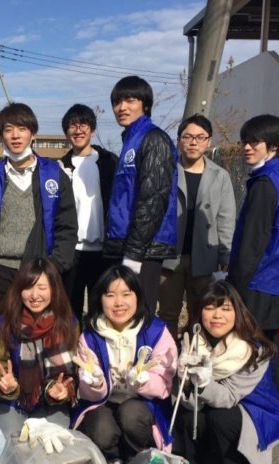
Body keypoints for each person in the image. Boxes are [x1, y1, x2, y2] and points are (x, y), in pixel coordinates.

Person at [171, 280, 279, 464]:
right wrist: (185, 381)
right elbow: (185, 399)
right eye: (209, 308)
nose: (217, 316)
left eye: (226, 309)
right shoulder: (190, 342)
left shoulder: (254, 351)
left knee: (221, 416)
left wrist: (204, 383)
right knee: (187, 412)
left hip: (254, 413)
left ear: (238, 313)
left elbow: (229, 397)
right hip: (210, 405)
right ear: (199, 312)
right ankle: (198, 455)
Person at [227, 114, 279, 415]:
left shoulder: (264, 184)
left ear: (272, 145)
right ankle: (277, 408)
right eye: (244, 141)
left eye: (253, 142)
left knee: (255, 349)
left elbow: (252, 243)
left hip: (260, 281)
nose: (246, 147)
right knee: (272, 347)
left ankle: (261, 411)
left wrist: (234, 287)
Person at [0, 102, 77, 307]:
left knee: (39, 334)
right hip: (0, 271)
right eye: (8, 130)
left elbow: (67, 227)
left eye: (22, 129)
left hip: (40, 272)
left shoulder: (53, 174)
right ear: (1, 136)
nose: (15, 135)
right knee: (1, 334)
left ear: (33, 134)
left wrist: (53, 268)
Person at [72, 265, 176, 464]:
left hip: (143, 404)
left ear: (137, 296)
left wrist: (143, 381)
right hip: (105, 401)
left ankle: (136, 453)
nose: (118, 303)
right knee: (101, 429)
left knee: (131, 415)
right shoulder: (90, 336)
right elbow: (87, 393)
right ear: (100, 299)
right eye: (110, 295)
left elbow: (166, 381)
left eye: (126, 294)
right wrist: (94, 383)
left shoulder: (156, 331)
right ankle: (113, 452)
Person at [104, 75, 179, 316]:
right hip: (126, 245)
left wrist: (134, 254)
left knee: (138, 316)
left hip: (142, 251)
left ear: (144, 104)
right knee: (121, 318)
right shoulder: (131, 140)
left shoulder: (154, 139)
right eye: (117, 102)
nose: (121, 107)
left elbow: (153, 200)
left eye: (129, 100)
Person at [159, 114, 236, 340]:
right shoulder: (166, 171)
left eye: (200, 137)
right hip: (169, 258)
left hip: (205, 259)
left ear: (208, 141)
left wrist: (226, 254)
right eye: (188, 136)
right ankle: (167, 365)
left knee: (201, 313)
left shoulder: (220, 176)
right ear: (179, 140)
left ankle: (196, 363)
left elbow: (226, 219)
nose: (194, 142)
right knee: (167, 314)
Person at [0, 258, 79, 437]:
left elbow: (74, 372)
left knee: (54, 440)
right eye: (28, 287)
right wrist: (4, 386)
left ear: (54, 289)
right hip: (13, 401)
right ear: (19, 290)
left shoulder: (68, 324)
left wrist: (62, 391)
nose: (34, 295)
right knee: (11, 440)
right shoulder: (2, 323)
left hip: (52, 403)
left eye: (42, 288)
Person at [58, 103, 119, 325]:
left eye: (83, 124)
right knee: (69, 309)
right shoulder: (59, 167)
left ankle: (97, 353)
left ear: (92, 129)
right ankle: (73, 354)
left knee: (101, 308)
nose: (78, 130)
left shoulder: (110, 162)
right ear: (66, 132)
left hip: (104, 250)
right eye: (72, 126)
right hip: (71, 251)